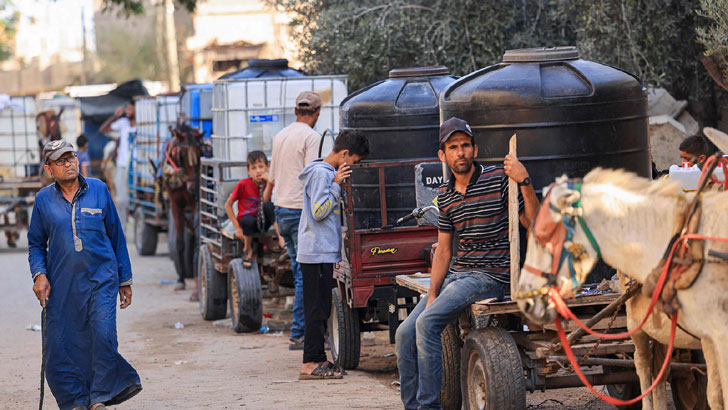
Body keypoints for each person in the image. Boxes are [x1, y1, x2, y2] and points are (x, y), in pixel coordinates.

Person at [395, 117, 540, 410]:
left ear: (474, 149)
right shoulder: (445, 196)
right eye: (453, 147)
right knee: (403, 333)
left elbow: (534, 223)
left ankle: (429, 406)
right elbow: (445, 251)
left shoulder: (499, 179)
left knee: (427, 323)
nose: (460, 152)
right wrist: (433, 292)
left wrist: (524, 180)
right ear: (443, 155)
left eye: (464, 146)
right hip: (457, 275)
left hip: (490, 275)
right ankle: (412, 406)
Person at [28, 140, 141, 410]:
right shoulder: (43, 200)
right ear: (49, 168)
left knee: (103, 336)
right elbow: (35, 244)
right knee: (62, 343)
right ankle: (76, 399)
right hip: (62, 284)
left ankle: (99, 397)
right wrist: (39, 274)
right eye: (61, 160)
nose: (69, 164)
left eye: (71, 158)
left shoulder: (99, 190)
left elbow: (117, 236)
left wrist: (124, 280)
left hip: (101, 280)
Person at [296, 129, 370, 379]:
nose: (354, 166)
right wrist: (336, 185)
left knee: (322, 309)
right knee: (316, 310)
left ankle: (318, 359)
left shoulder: (325, 172)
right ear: (345, 154)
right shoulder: (321, 174)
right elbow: (319, 211)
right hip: (315, 252)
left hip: (322, 252)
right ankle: (309, 363)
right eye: (354, 161)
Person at [265, 91, 323, 350]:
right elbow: (312, 176)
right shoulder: (312, 137)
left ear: (295, 111)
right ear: (317, 113)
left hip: (281, 209)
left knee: (299, 272)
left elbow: (272, 177)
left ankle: (303, 330)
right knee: (304, 275)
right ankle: (299, 333)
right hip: (300, 211)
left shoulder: (280, 135)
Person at [224, 151, 282, 268]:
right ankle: (248, 249)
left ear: (268, 167)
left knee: (269, 206)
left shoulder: (269, 183)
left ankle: (281, 238)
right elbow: (228, 205)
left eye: (261, 167)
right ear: (248, 171)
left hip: (263, 220)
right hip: (248, 222)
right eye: (254, 168)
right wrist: (237, 227)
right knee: (247, 220)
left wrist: (269, 182)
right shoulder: (243, 184)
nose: (258, 171)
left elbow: (265, 200)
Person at [100, 104, 136, 229]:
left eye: (130, 109)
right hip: (122, 166)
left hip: (137, 167)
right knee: (121, 200)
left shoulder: (143, 124)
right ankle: (122, 230)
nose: (128, 111)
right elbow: (103, 129)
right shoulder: (123, 123)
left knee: (137, 200)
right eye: (127, 109)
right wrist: (115, 116)